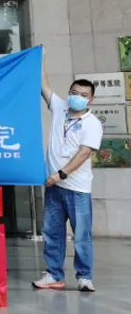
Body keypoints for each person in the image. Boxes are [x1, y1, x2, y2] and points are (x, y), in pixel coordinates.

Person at [33, 51, 102, 292]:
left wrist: (60, 174)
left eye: (83, 95)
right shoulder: (60, 108)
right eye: (74, 93)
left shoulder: (92, 124)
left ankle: (84, 276)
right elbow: (43, 85)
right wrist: (40, 57)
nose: (77, 97)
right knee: (52, 233)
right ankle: (54, 275)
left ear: (90, 100)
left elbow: (84, 153)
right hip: (55, 187)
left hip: (76, 189)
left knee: (81, 235)